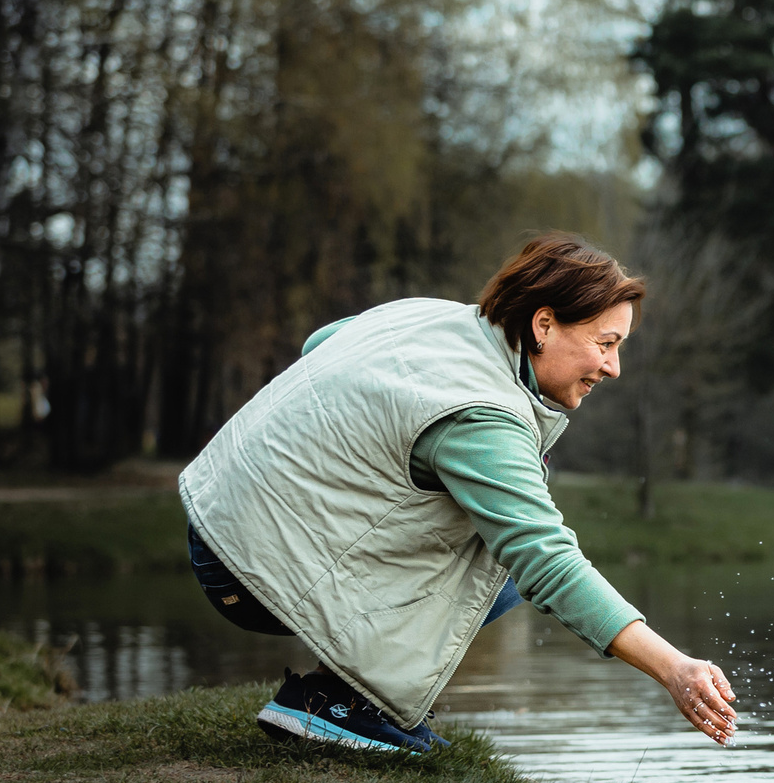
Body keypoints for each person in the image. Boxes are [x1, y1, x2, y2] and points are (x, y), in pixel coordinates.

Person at [178, 235, 737, 754]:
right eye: (606, 343)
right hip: (246, 570)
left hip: (214, 520)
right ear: (543, 325)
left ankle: (342, 692)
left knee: (495, 533)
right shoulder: (484, 413)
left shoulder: (429, 316)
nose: (613, 367)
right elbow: (546, 562)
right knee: (507, 555)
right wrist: (674, 668)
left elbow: (320, 342)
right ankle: (336, 703)